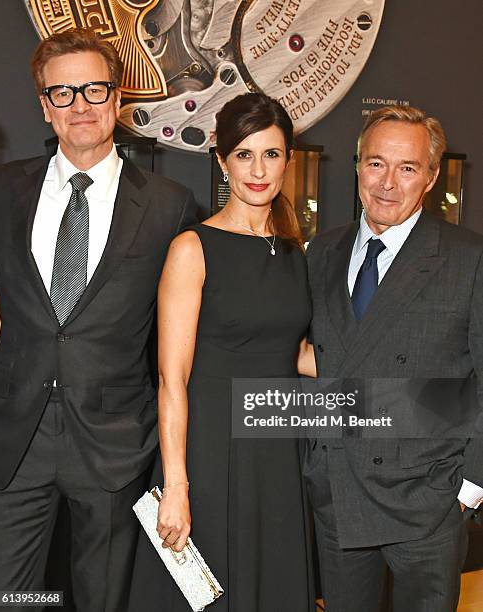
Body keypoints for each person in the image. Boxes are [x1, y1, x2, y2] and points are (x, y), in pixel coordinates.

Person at [0, 28, 196, 611]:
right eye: (62, 92)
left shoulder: (168, 204)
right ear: (43, 106)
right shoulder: (2, 191)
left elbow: (175, 338)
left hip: (113, 444)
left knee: (101, 601)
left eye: (94, 88)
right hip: (15, 438)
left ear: (118, 97)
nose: (80, 104)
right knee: (12, 597)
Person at [129, 92, 316, 611]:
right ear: (221, 159)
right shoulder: (193, 248)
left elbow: (295, 353)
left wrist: (388, 372)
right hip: (208, 451)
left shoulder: (296, 252)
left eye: (272, 154)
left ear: (288, 159)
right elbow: (172, 377)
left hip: (277, 449)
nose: (258, 170)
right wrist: (177, 485)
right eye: (244, 154)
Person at [303, 105, 483, 611]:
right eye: (376, 163)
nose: (387, 183)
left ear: (429, 178)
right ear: (358, 166)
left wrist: (468, 490)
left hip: (427, 501)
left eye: (407, 168)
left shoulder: (468, 259)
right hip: (337, 491)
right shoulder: (322, 252)